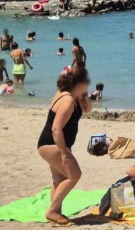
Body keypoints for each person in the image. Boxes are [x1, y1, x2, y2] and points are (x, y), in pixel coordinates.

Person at [37, 66, 92, 225]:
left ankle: (56, 213)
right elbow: (56, 128)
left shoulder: (74, 96)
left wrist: (84, 94)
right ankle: (52, 211)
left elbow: (88, 109)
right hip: (52, 145)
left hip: (54, 145)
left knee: (58, 179)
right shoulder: (67, 99)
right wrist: (64, 153)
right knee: (74, 175)